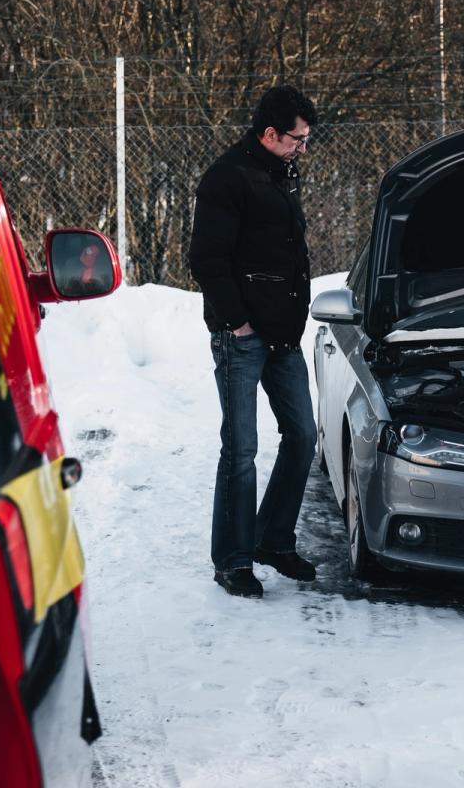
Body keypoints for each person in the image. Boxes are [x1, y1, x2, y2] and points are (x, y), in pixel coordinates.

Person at [189, 85, 320, 599]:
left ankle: (273, 539)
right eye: (296, 139)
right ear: (270, 133)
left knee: (304, 436)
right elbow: (206, 260)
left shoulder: (280, 171)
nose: (302, 149)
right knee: (241, 449)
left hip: (283, 334)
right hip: (240, 335)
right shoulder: (226, 178)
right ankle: (233, 560)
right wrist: (238, 322)